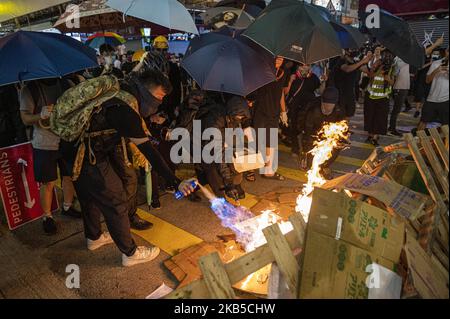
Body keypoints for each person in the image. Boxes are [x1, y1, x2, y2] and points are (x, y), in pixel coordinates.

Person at [71, 70, 196, 267]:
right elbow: (149, 151)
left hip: (75, 147)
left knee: (90, 196)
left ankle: (93, 237)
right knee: (116, 200)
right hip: (87, 155)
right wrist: (175, 182)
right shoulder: (125, 110)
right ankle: (130, 253)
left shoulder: (122, 90)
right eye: (160, 97)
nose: (160, 103)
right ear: (147, 92)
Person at [19, 78, 80, 235]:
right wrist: (41, 115)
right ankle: (47, 217)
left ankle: (67, 206)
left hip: (67, 139)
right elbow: (25, 118)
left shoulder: (67, 84)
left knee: (69, 176)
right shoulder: (30, 89)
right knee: (48, 182)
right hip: (44, 143)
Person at [296, 87, 346, 179]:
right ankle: (308, 160)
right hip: (311, 134)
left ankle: (325, 166)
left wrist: (343, 139)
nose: (327, 110)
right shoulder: (312, 109)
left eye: (330, 108)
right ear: (322, 102)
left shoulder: (339, 110)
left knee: (336, 145)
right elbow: (305, 132)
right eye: (325, 107)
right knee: (310, 165)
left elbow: (343, 128)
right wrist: (304, 153)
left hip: (328, 136)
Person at [253, 56, 289, 180]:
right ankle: (249, 169)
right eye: (277, 58)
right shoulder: (262, 71)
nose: (279, 60)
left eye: (281, 58)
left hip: (274, 112)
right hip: (260, 110)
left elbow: (281, 94)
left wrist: (283, 111)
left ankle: (268, 170)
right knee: (258, 140)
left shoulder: (284, 73)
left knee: (271, 141)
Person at [285, 63, 325, 155]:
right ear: (298, 66)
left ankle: (306, 149)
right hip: (294, 107)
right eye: (302, 66)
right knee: (294, 127)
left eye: (307, 65)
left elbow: (320, 91)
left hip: (308, 107)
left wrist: (324, 81)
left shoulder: (313, 77)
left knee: (307, 128)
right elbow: (285, 92)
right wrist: (290, 81)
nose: (305, 68)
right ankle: (295, 148)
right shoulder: (292, 76)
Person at [363, 51, 395, 146]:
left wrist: (388, 79)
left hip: (383, 98)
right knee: (370, 116)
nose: (387, 57)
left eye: (389, 56)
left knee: (380, 118)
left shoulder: (392, 67)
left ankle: (375, 138)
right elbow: (370, 75)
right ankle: (370, 135)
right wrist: (377, 70)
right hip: (371, 96)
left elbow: (393, 82)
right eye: (386, 55)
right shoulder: (377, 63)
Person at [331, 49, 373, 120]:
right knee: (340, 111)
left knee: (349, 112)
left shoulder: (355, 62)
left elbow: (368, 72)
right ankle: (338, 128)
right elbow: (347, 69)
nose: (353, 51)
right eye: (350, 49)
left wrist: (370, 61)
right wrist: (362, 61)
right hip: (340, 91)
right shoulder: (340, 61)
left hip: (350, 91)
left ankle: (345, 128)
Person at [418, 46, 449, 131]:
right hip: (432, 99)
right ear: (446, 51)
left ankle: (445, 144)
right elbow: (427, 80)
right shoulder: (436, 63)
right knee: (423, 121)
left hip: (446, 100)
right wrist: (436, 71)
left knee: (446, 125)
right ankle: (418, 141)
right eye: (448, 51)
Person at [389, 57, 410, 136]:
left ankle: (391, 127)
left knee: (397, 109)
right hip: (399, 86)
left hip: (403, 86)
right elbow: (394, 73)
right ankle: (392, 128)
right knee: (396, 109)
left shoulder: (404, 58)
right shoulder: (398, 59)